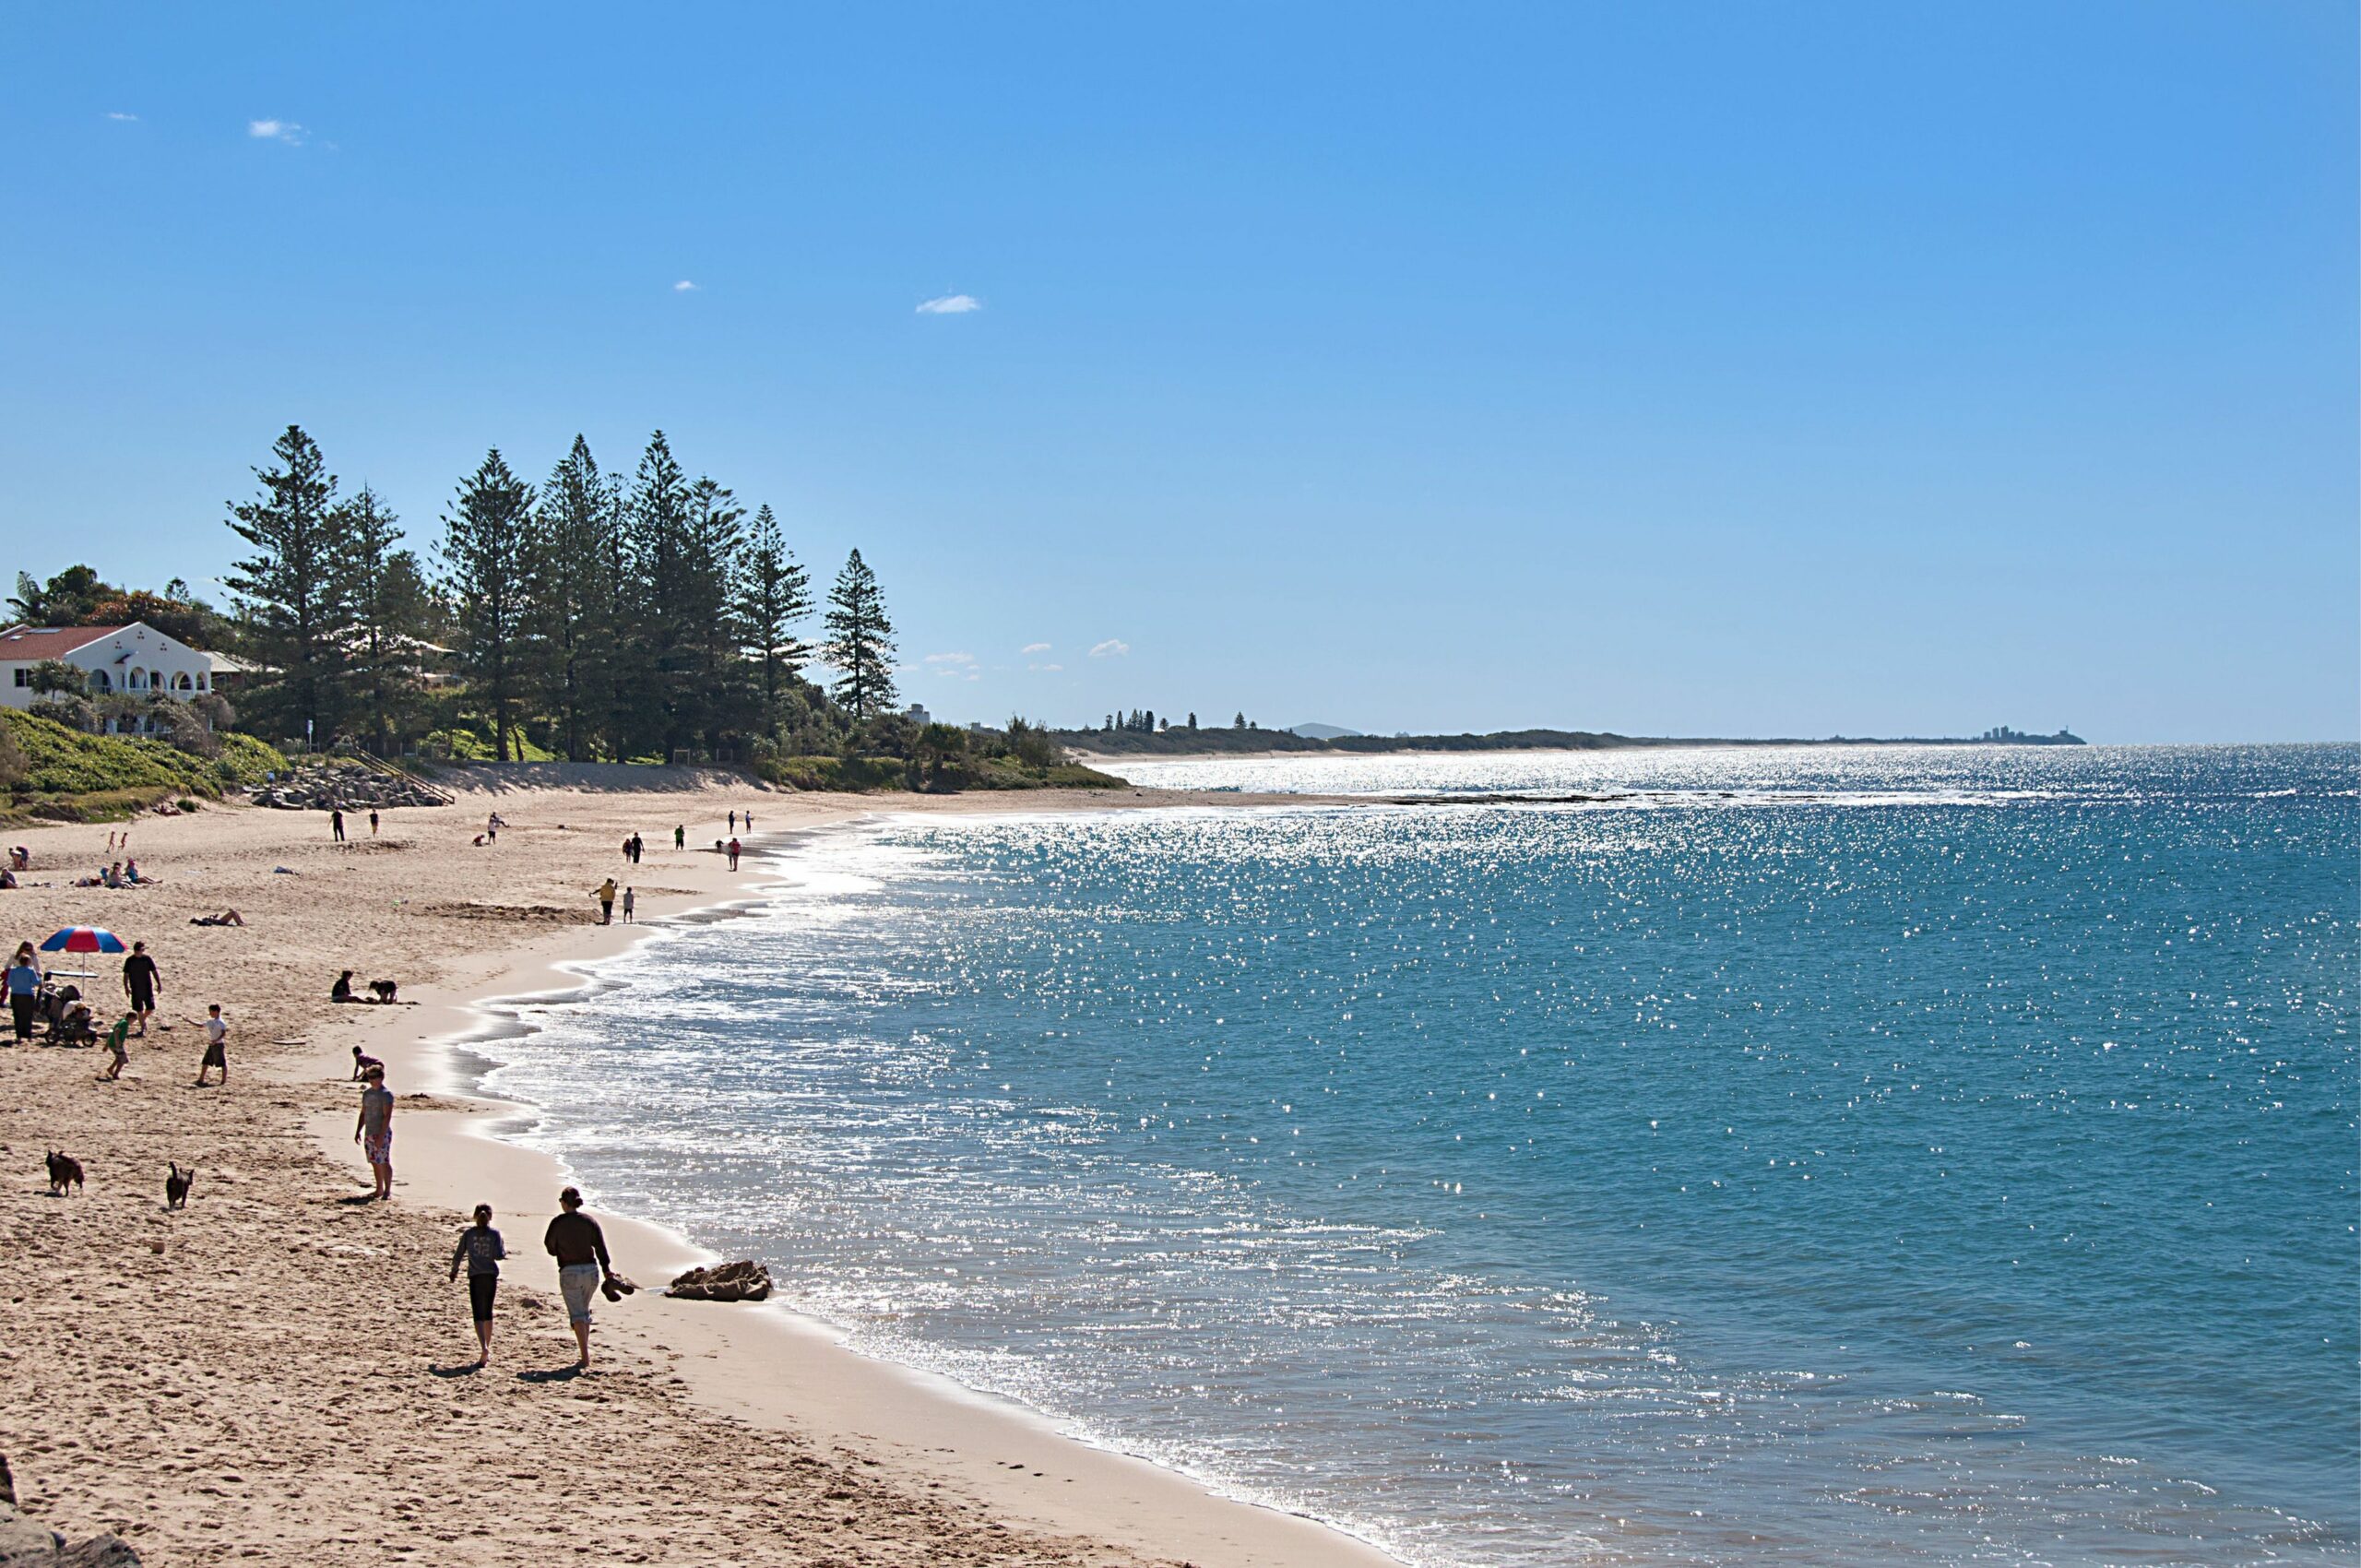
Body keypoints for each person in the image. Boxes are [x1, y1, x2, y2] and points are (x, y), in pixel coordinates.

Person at [543, 1187, 615, 1370]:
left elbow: (550, 1248)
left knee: (577, 1315)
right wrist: (607, 1270)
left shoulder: (557, 1223)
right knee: (583, 1311)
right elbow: (600, 1247)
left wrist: (562, 1248)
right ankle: (584, 1351)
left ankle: (584, 1357)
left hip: (569, 1271)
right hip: (591, 1271)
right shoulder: (589, 1221)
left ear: (564, 1203)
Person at [449, 1204, 506, 1367]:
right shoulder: (494, 1234)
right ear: (490, 1217)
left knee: (477, 1314)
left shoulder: (468, 1234)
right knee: (488, 1312)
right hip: (490, 1276)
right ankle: (487, 1349)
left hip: (475, 1276)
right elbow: (499, 1255)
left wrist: (454, 1271)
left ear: (475, 1216)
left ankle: (484, 1347)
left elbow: (458, 1254)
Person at [355, 1065, 394, 1199]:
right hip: (369, 1131)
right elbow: (363, 1113)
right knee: (374, 1162)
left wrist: (381, 1137)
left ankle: (387, 1191)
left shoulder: (386, 1095)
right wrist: (358, 1130)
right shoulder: (367, 1093)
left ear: (381, 1078)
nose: (371, 1080)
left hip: (381, 1132)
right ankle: (379, 1189)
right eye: (369, 1077)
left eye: (374, 1077)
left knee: (383, 1161)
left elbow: (387, 1117)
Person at [122, 940, 160, 1037]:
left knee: (150, 1008)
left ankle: (141, 1019)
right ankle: (143, 1028)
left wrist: (159, 983)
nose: (143, 951)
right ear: (137, 950)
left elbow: (154, 971)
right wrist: (126, 987)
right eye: (142, 949)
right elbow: (126, 975)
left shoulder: (147, 959)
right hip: (135, 988)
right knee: (139, 1009)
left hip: (147, 987)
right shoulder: (130, 960)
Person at [6, 946, 41, 1044]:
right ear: (28, 962)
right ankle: (28, 1036)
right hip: (28, 995)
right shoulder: (30, 971)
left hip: (16, 995)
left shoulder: (13, 970)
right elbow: (36, 983)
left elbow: (9, 983)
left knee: (18, 1016)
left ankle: (19, 1036)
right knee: (28, 1016)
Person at [196, 1003, 228, 1086]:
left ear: (216, 1012)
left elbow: (223, 1034)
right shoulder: (211, 1022)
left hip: (218, 1045)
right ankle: (201, 1079)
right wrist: (189, 1021)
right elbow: (200, 1026)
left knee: (222, 1063)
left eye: (211, 1011)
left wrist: (216, 1040)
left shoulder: (221, 1022)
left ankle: (223, 1081)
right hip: (213, 1044)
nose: (210, 1013)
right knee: (205, 1061)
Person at [101, 1012, 131, 1080]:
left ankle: (110, 1069)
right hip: (116, 1044)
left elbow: (112, 1033)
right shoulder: (125, 1023)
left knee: (118, 1057)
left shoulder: (120, 1022)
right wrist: (117, 1042)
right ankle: (115, 1074)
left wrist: (106, 1045)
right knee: (123, 1059)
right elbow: (116, 1031)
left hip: (112, 1043)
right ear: (131, 1018)